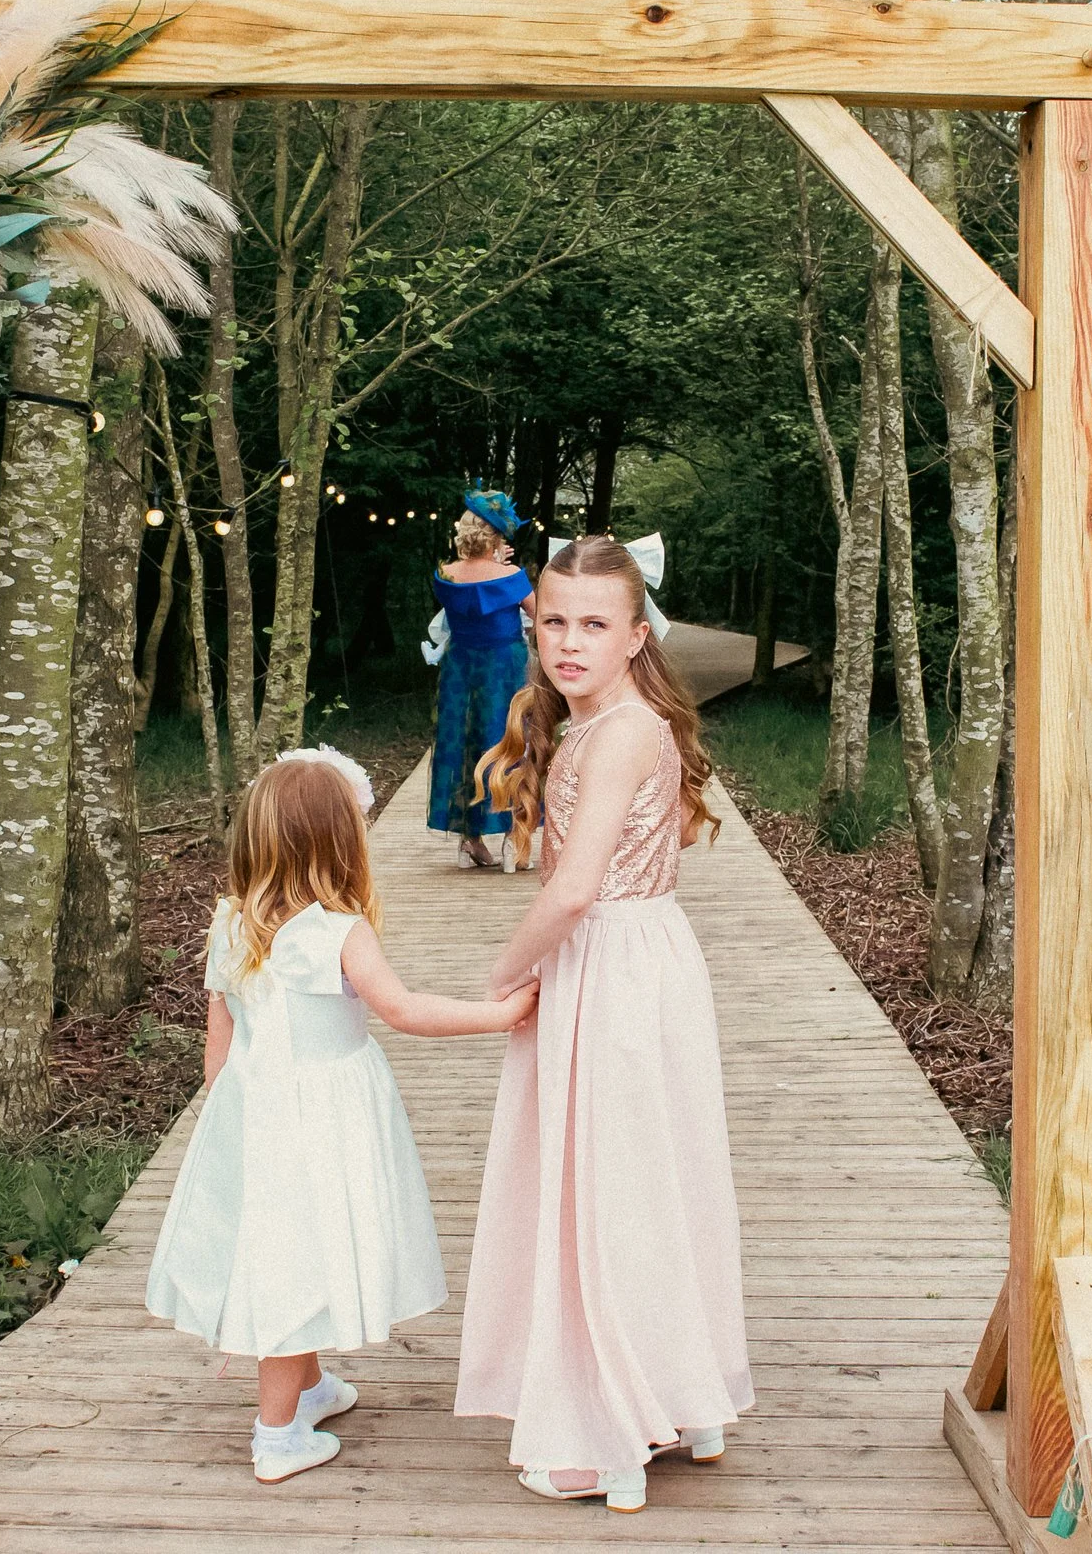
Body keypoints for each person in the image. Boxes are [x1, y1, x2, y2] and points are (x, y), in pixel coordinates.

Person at [453, 534, 753, 1514]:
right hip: (639, 957)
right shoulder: (608, 723)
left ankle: (607, 1434)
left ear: (635, 635)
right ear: (531, 620)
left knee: (602, 1190)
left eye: (594, 624)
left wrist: (504, 974)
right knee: (644, 1179)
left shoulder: (619, 731)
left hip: (611, 966)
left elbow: (575, 887)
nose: (568, 642)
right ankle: (681, 1393)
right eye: (554, 621)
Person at [145, 747, 540, 1484]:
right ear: (342, 842)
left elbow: (217, 1046)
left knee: (294, 1249)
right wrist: (502, 1013)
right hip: (321, 1122)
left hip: (254, 1118)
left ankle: (313, 1388)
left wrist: (231, 1131)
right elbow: (404, 1010)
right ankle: (277, 1437)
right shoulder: (338, 932)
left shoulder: (231, 923)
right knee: (296, 1270)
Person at [425, 490, 535, 870]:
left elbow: (471, 586)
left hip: (460, 670)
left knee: (465, 744)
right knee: (511, 743)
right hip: (505, 669)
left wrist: (490, 561)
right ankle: (511, 841)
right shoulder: (513, 577)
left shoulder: (444, 576)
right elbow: (542, 616)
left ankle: (469, 842)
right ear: (496, 539)